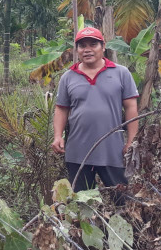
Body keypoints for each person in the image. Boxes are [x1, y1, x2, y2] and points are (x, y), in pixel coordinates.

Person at [51, 27, 138, 197]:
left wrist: (132, 141)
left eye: (93, 44)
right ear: (77, 50)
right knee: (82, 206)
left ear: (103, 46)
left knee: (123, 201)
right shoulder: (68, 77)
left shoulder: (121, 73)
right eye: (82, 46)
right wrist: (57, 136)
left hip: (113, 151)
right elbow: (61, 109)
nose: (88, 49)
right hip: (78, 153)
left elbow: (131, 107)